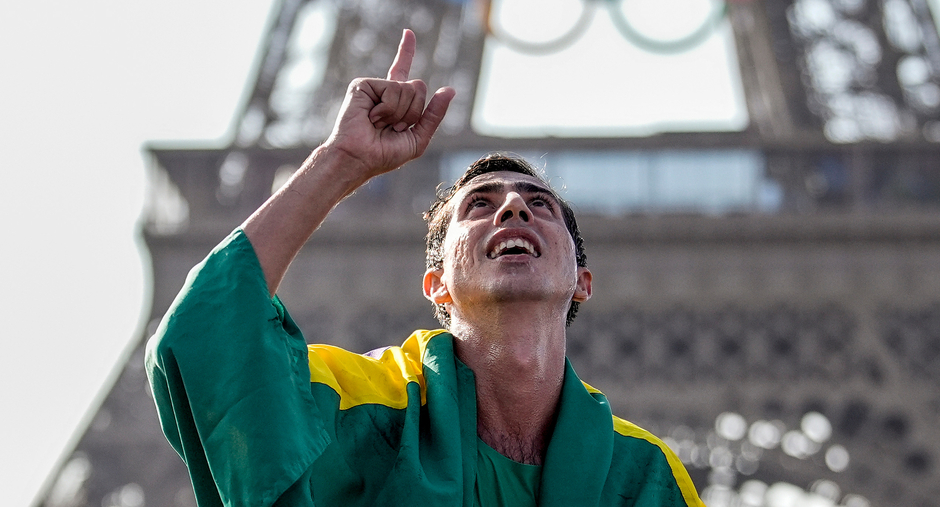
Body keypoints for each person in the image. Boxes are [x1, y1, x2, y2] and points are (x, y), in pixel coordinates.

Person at [146, 29, 704, 507]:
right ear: (437, 284)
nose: (513, 208)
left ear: (582, 281)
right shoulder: (362, 410)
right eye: (479, 206)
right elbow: (206, 336)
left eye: (540, 206)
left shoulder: (649, 477)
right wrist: (341, 162)